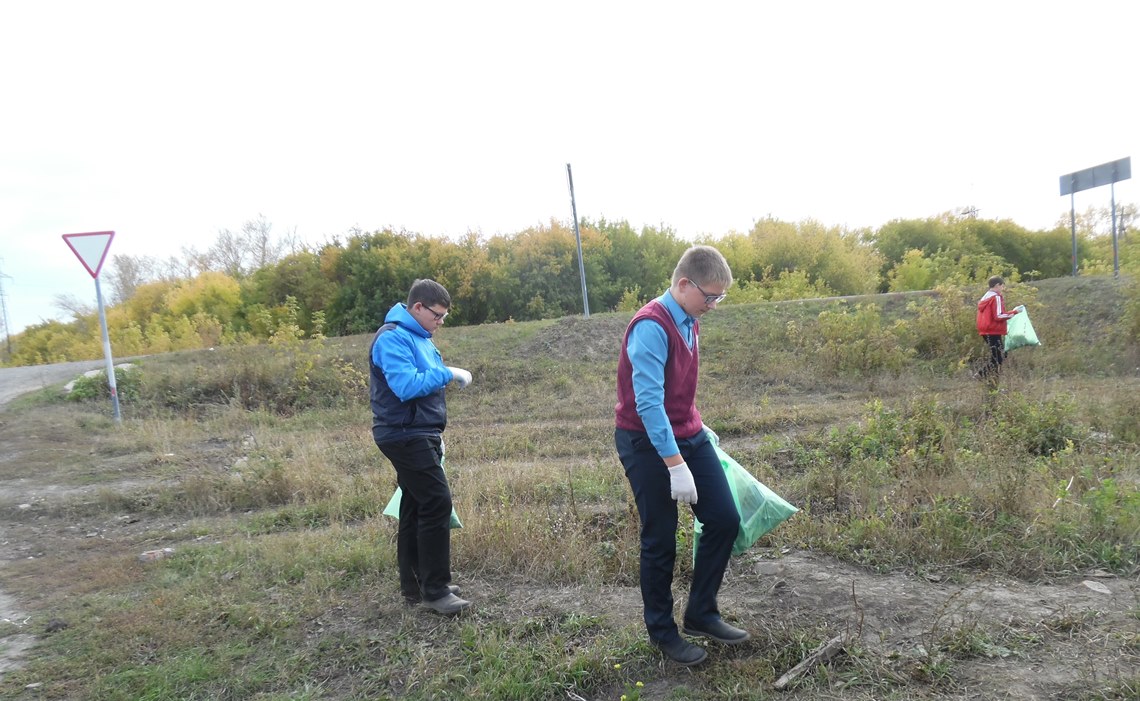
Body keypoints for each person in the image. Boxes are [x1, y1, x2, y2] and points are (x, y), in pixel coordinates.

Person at [614, 245, 747, 667]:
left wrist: (697, 425)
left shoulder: (690, 320)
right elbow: (649, 404)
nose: (714, 305)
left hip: (687, 433)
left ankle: (701, 613)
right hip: (644, 440)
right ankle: (662, 632)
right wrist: (675, 465)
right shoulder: (651, 326)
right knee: (660, 539)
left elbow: (678, 391)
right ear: (684, 284)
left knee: (724, 518)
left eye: (719, 298)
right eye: (710, 296)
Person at [369, 279, 473, 614]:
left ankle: (415, 585)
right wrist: (447, 373)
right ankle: (436, 590)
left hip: (419, 432)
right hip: (403, 434)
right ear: (417, 308)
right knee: (436, 502)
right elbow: (405, 386)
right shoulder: (392, 338)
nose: (441, 322)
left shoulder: (419, 338)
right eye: (438, 315)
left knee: (414, 505)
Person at [975, 275, 1021, 387]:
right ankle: (982, 376)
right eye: (1002, 286)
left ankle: (992, 380)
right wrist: (1014, 312)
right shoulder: (996, 297)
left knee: (998, 355)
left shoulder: (985, 297)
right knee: (999, 356)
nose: (1003, 288)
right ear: (997, 285)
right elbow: (998, 315)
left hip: (985, 330)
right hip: (993, 330)